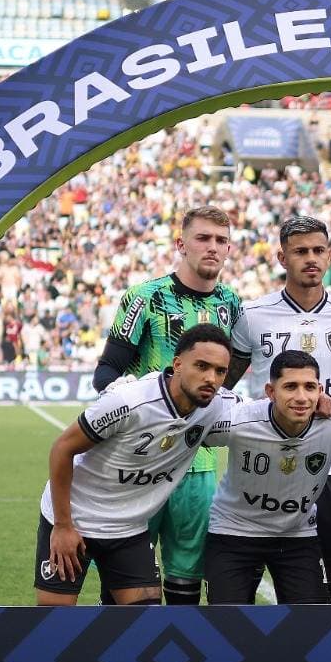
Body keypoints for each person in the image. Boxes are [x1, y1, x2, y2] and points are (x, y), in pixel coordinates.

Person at [227, 215, 331, 600]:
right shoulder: (253, 315)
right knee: (282, 576)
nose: (311, 258)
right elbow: (225, 383)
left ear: (330, 256)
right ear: (282, 258)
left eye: (318, 250)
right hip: (273, 460)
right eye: (300, 251)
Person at [93, 205, 242, 606]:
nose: (212, 247)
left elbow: (235, 376)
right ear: (181, 243)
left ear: (229, 249)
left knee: (186, 582)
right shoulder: (145, 298)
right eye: (203, 238)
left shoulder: (233, 304)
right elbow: (106, 372)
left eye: (221, 240)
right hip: (140, 465)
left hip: (199, 464)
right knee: (127, 583)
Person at [35, 325, 234, 606]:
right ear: (177, 364)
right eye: (201, 366)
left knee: (145, 623)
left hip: (128, 528)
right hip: (77, 517)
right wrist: (63, 526)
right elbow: (62, 449)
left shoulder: (217, 405)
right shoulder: (129, 401)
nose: (210, 378)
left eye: (219, 371)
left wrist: (317, 404)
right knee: (54, 617)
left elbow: (265, 412)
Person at [202, 350, 331, 604]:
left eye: (309, 387)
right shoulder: (238, 422)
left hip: (297, 534)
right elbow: (193, 432)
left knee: (311, 626)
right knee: (225, 623)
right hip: (234, 531)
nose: (301, 397)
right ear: (270, 392)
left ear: (320, 390)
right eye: (290, 387)